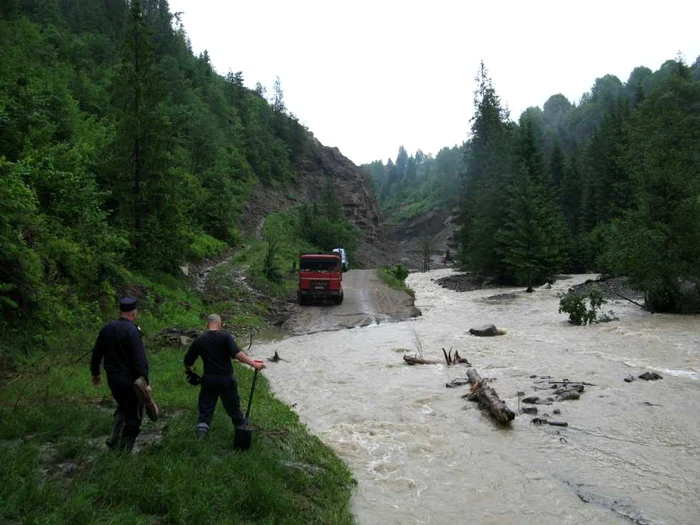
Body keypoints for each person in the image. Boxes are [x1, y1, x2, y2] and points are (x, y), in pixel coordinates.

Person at [184, 314, 265, 440]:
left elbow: (188, 360)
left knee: (205, 412)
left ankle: (200, 440)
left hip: (209, 381)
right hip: (226, 381)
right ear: (220, 324)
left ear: (207, 325)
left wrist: (190, 371)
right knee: (235, 411)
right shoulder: (225, 337)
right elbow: (238, 355)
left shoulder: (200, 340)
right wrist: (254, 364)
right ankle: (241, 437)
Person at [90, 297, 150, 452]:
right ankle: (124, 451)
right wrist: (146, 381)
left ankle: (114, 437)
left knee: (123, 405)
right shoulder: (133, 331)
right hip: (130, 380)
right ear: (134, 312)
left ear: (121, 311)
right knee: (135, 415)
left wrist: (95, 373)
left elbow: (96, 353)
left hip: (112, 378)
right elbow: (139, 359)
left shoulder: (107, 328)